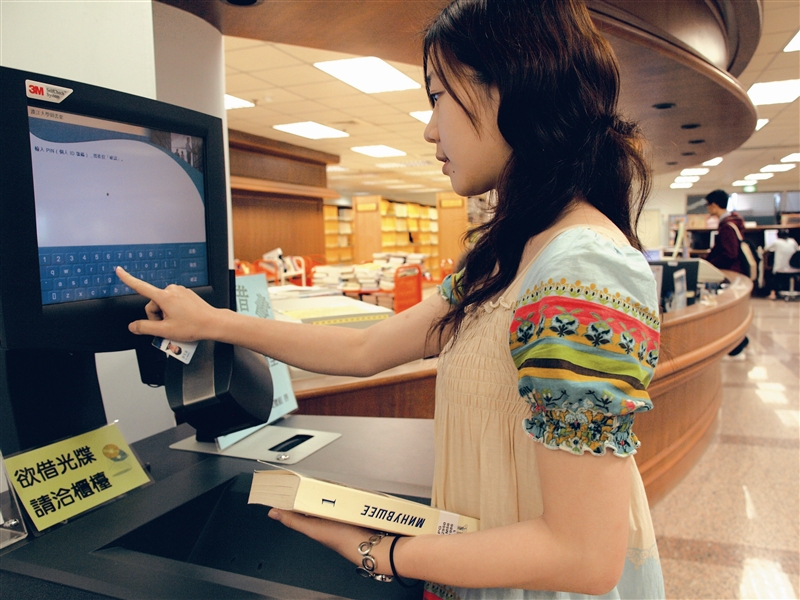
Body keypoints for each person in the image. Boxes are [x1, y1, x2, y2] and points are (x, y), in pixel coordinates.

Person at [117, 1, 664, 597]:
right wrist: (213, 322)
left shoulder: (580, 270)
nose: (430, 129)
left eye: (438, 96)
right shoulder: (508, 256)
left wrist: (379, 552)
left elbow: (583, 555)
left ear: (510, 88)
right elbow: (365, 348)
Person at [704, 189, 746, 274]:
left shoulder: (727, 227)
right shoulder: (733, 221)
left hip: (730, 270)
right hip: (735, 269)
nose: (707, 208)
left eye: (708, 205)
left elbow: (730, 254)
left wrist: (710, 264)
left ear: (714, 205)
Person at [766, 229, 800, 300]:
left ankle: (773, 294)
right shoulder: (793, 241)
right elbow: (797, 251)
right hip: (795, 268)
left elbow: (766, 249)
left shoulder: (777, 242)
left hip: (781, 269)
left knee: (772, 275)